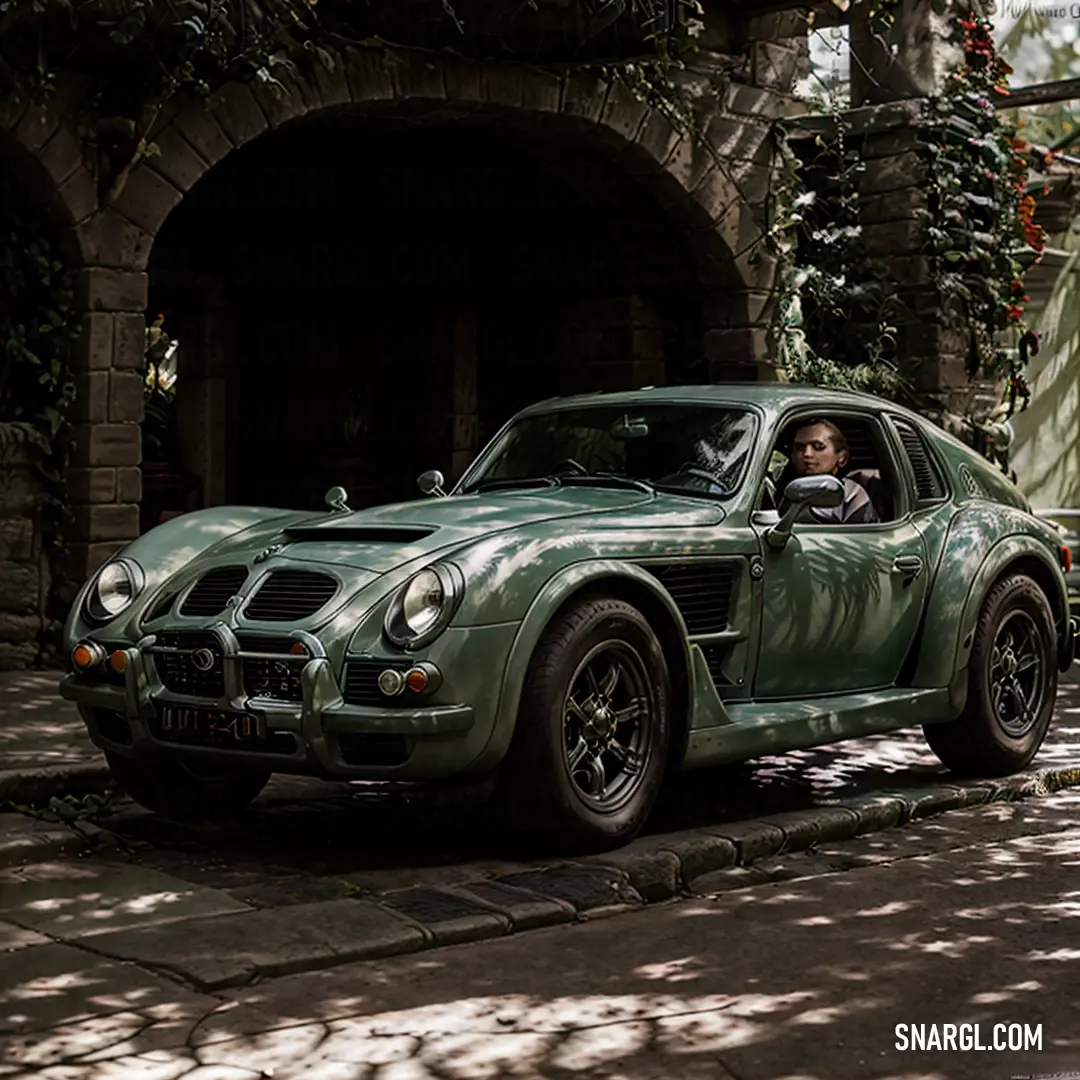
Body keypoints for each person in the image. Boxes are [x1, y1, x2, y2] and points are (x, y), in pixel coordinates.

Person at [783, 419, 879, 524]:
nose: (807, 454)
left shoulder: (851, 493)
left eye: (818, 447)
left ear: (841, 458)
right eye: (799, 448)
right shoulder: (784, 491)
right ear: (792, 456)